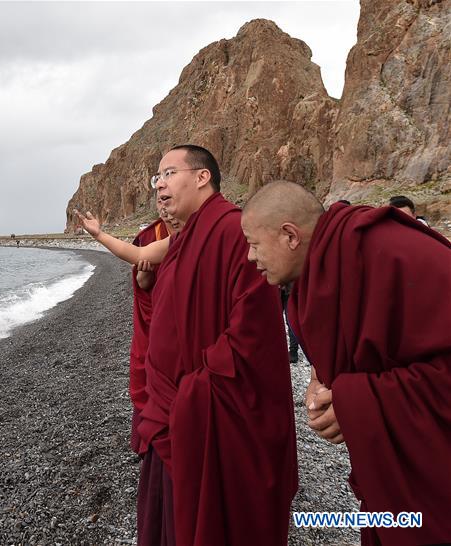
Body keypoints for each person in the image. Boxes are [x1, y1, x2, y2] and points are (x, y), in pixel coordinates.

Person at [75, 145, 296, 546]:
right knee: (168, 520)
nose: (159, 184)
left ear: (201, 177)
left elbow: (254, 336)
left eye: (168, 173)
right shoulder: (181, 239)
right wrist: (143, 285)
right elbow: (162, 296)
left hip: (201, 410)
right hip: (170, 411)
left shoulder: (233, 230)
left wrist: (193, 393)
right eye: (156, 177)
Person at [241, 181, 451, 545]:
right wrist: (318, 378)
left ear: (291, 236)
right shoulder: (319, 273)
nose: (249, 257)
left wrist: (354, 405)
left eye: (254, 244)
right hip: (390, 480)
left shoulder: (392, 253)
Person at [128, 197, 180, 456]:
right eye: (161, 204)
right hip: (153, 325)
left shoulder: (195, 232)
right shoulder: (149, 236)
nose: (166, 210)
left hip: (179, 327)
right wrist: (143, 278)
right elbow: (141, 286)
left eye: (169, 202)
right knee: (145, 375)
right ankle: (148, 442)